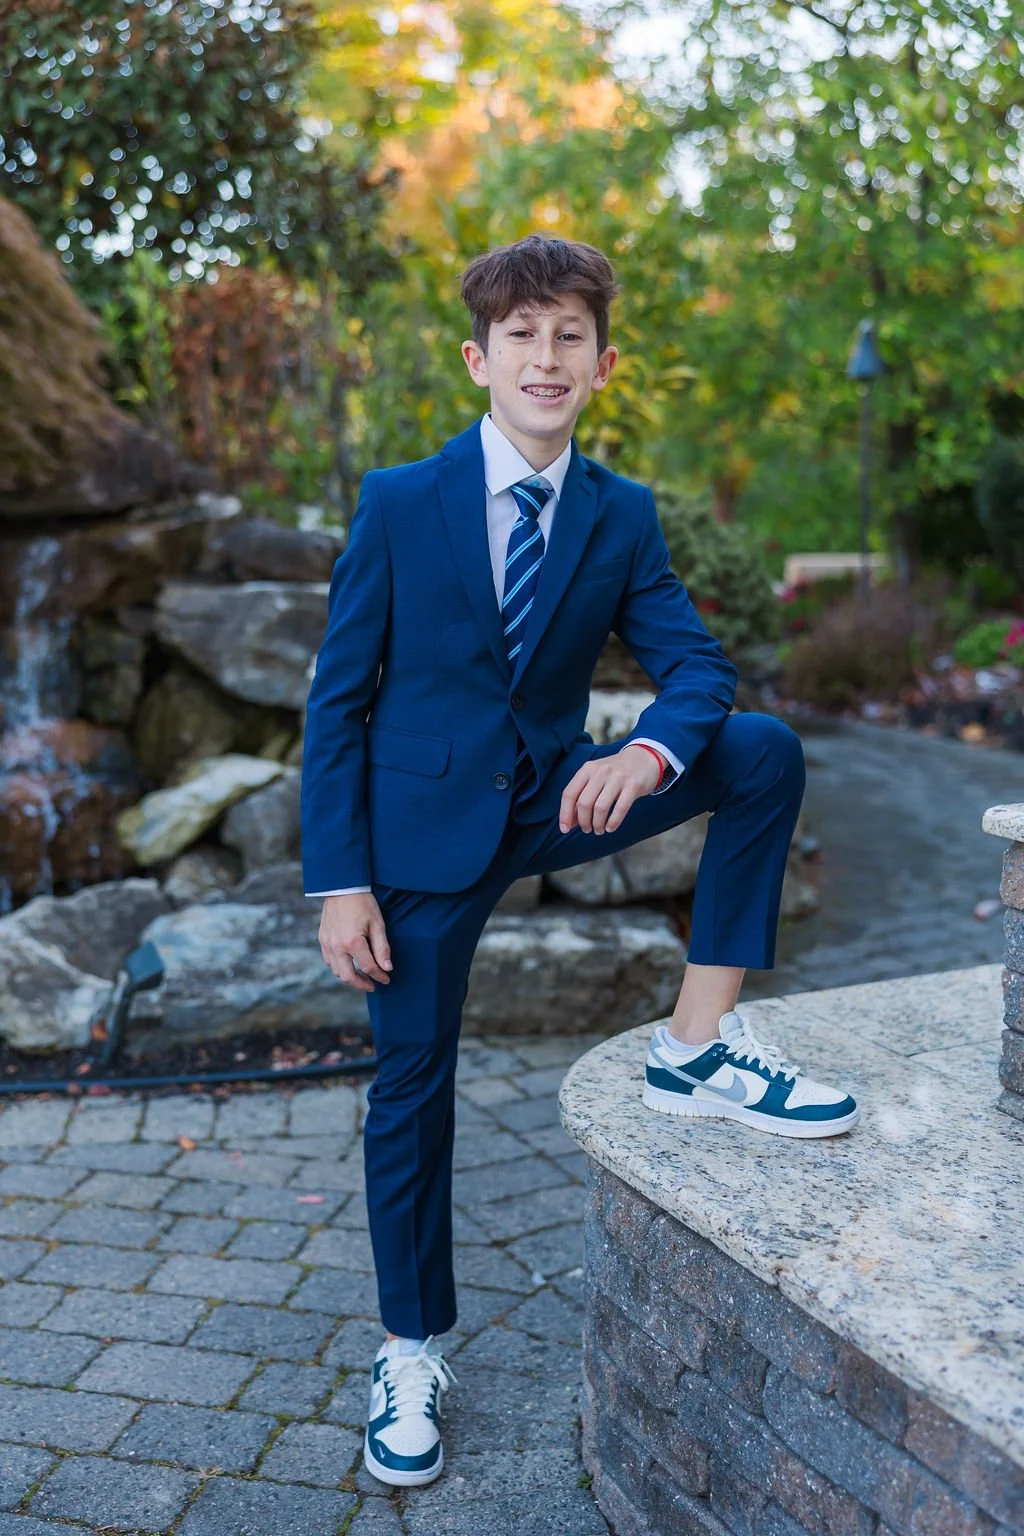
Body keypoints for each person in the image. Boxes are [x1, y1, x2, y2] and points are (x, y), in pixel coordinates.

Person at [300, 233, 858, 1490]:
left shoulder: (621, 514)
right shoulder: (398, 502)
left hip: (559, 795)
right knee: (411, 1086)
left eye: (568, 338)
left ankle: (696, 1048)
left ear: (603, 364)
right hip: (416, 840)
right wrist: (337, 880)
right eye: (521, 337)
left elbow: (700, 670)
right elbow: (337, 702)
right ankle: (409, 1348)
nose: (544, 358)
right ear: (477, 360)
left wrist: (650, 756)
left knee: (757, 750)